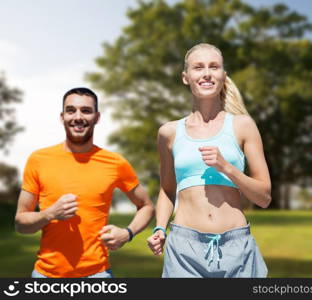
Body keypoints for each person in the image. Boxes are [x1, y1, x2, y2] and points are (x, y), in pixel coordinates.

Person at [147, 43, 271, 278]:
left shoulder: (243, 126)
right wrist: (160, 228)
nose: (206, 73)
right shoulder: (168, 132)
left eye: (214, 67)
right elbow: (167, 189)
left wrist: (227, 168)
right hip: (185, 250)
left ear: (223, 75)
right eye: (198, 67)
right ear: (186, 77)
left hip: (238, 250)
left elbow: (264, 197)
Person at [15, 87, 154, 278]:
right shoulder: (38, 159)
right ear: (62, 116)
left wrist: (127, 233)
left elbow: (146, 205)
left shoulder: (115, 162)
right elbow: (21, 223)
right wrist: (49, 214)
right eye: (71, 110)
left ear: (97, 117)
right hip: (45, 276)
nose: (78, 117)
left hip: (97, 275)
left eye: (86, 111)